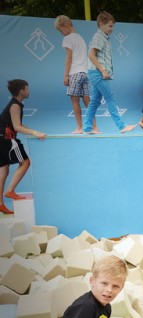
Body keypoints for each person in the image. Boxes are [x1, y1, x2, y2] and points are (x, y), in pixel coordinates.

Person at [83, 11, 136, 134]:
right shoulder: (99, 37)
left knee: (94, 101)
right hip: (97, 73)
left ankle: (86, 128)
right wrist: (102, 70)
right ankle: (121, 126)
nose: (112, 29)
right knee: (110, 98)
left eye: (112, 26)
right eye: (110, 26)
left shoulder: (103, 37)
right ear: (101, 24)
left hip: (94, 73)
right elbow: (91, 55)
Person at [0, 79, 46, 215]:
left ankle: (0, 204)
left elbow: (17, 124)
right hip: (7, 138)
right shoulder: (15, 106)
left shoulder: (16, 104)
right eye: (27, 88)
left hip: (1, 138)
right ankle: (10, 191)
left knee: (3, 171)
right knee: (25, 162)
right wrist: (34, 132)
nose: (28, 91)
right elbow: (16, 127)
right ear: (21, 91)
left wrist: (34, 131)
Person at [54, 15, 99, 134]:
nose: (61, 33)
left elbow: (69, 58)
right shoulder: (80, 38)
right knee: (87, 100)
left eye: (61, 30)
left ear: (65, 25)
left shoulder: (68, 38)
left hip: (74, 73)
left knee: (75, 101)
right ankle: (95, 127)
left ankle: (79, 127)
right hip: (85, 73)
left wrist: (65, 75)